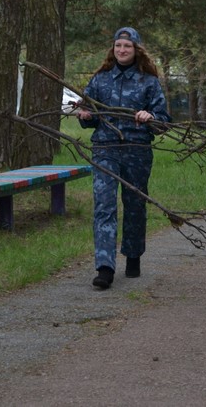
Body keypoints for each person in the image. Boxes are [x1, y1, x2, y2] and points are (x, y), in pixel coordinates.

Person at [76, 27, 171, 289]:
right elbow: (89, 114)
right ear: (113, 49)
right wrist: (85, 115)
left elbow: (164, 122)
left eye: (127, 46)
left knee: (134, 205)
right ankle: (105, 267)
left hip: (136, 150)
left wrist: (150, 118)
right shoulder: (100, 80)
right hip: (105, 150)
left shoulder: (149, 82)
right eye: (118, 46)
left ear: (136, 49)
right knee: (104, 206)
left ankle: (132, 255)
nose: (122, 50)